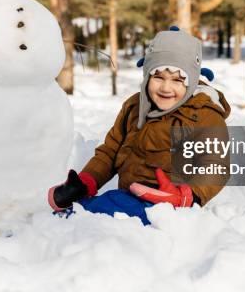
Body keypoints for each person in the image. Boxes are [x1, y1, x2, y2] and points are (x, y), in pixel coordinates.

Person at [47, 27, 231, 225]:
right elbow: (110, 152)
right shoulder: (134, 106)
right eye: (158, 77)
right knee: (78, 215)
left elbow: (216, 166)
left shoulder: (204, 116)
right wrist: (86, 181)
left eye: (178, 80)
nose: (166, 88)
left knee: (97, 221)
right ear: (147, 75)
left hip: (167, 209)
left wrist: (186, 196)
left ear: (192, 82)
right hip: (125, 198)